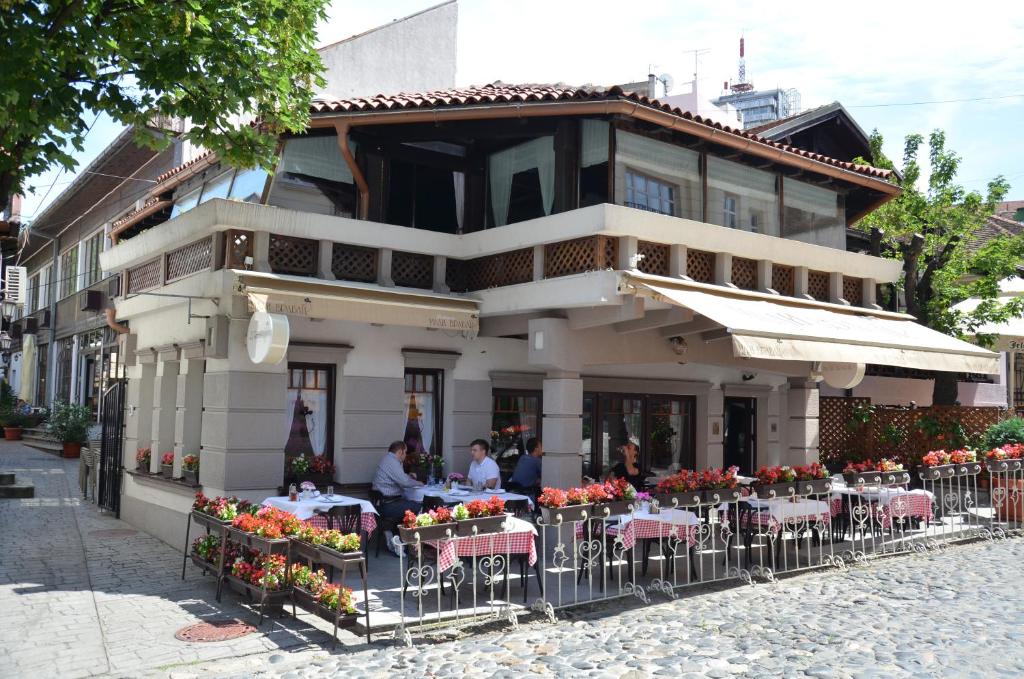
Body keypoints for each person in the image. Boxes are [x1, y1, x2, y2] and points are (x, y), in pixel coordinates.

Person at [372, 441, 423, 555]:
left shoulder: (388, 460)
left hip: (384, 502)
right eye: (405, 453)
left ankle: (396, 537)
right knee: (419, 507)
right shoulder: (392, 461)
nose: (405, 456)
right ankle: (411, 543)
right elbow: (404, 482)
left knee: (411, 503)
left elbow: (398, 477)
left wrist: (408, 477)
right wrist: (419, 483)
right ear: (400, 452)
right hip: (388, 505)